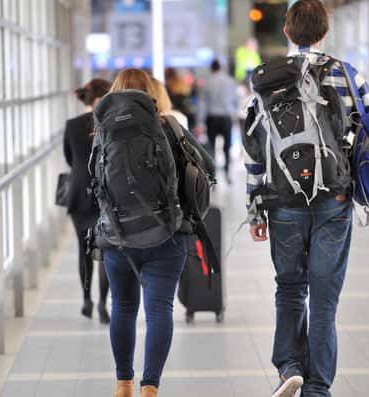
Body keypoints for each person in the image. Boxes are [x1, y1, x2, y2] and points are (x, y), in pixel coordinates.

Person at [242, 1, 369, 396]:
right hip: (334, 200)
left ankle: (288, 367)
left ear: (287, 32)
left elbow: (255, 150)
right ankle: (317, 388)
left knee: (289, 288)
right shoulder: (347, 75)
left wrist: (255, 207)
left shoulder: (266, 80)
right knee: (324, 298)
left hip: (283, 200)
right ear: (324, 32)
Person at [97, 69, 214, 397]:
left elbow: (98, 186)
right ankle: (150, 387)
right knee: (160, 307)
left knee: (122, 305)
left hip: (118, 236)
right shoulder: (173, 125)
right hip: (168, 232)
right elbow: (208, 168)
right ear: (152, 93)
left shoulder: (103, 130)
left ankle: (123, 383)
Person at [63, 79, 112, 324]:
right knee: (104, 250)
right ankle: (104, 303)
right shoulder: (108, 124)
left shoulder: (72, 126)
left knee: (83, 250)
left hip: (79, 194)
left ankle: (86, 300)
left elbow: (70, 159)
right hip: (105, 194)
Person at [196, 59, 238, 184]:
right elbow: (236, 101)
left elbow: (202, 104)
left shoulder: (207, 82)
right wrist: (233, 114)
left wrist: (200, 122)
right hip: (226, 118)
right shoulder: (230, 81)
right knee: (227, 147)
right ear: (221, 68)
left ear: (211, 68)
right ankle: (227, 173)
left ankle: (212, 176)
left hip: (212, 118)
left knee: (211, 148)